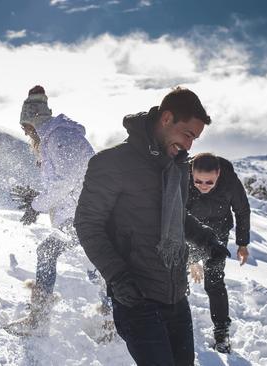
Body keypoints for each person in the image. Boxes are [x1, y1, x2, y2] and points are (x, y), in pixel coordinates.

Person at [74, 87, 231, 366]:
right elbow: (88, 224)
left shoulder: (177, 166)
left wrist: (209, 242)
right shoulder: (111, 163)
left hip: (175, 295)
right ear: (167, 118)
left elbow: (177, 217)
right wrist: (118, 277)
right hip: (136, 297)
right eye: (188, 134)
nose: (190, 145)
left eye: (195, 138)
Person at [5, 85, 95, 335]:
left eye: (25, 126)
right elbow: (62, 180)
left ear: (34, 120)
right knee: (96, 266)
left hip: (85, 215)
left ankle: (38, 319)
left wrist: (37, 205)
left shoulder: (61, 137)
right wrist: (39, 200)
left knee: (49, 253)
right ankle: (113, 317)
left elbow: (68, 179)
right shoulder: (54, 138)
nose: (24, 131)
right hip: (79, 214)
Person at [185, 152, 250, 353]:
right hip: (189, 234)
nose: (203, 186)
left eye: (209, 182)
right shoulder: (182, 178)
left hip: (217, 238)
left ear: (219, 174)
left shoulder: (230, 182)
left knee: (214, 282)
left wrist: (242, 243)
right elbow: (176, 212)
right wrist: (191, 260)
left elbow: (242, 210)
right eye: (198, 181)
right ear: (191, 173)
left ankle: (222, 332)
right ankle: (176, 324)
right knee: (177, 281)